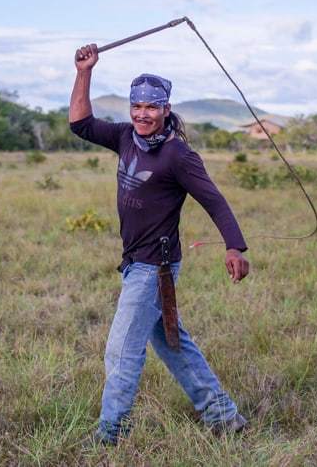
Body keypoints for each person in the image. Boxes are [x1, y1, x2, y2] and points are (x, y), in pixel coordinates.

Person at [69, 43, 251, 445]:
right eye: (137, 107)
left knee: (121, 353)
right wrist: (84, 72)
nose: (142, 114)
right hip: (135, 262)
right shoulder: (125, 138)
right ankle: (225, 417)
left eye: (151, 107)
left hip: (156, 267)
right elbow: (80, 125)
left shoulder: (178, 156)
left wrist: (234, 246)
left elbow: (214, 201)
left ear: (165, 109)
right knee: (173, 344)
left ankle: (109, 436)